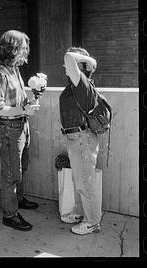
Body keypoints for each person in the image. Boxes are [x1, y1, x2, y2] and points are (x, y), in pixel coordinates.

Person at [0, 30, 40, 232]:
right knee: (11, 173)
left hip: (22, 125)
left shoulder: (15, 70)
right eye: (23, 47)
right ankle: (10, 214)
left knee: (21, 167)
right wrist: (23, 109)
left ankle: (18, 199)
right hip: (10, 128)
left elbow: (20, 101)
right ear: (12, 49)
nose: (26, 51)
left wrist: (32, 100)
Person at [59, 47, 102, 235]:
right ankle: (82, 212)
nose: (64, 67)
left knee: (85, 182)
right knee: (81, 179)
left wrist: (88, 59)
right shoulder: (76, 84)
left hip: (82, 139)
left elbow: (69, 57)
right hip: (76, 138)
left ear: (79, 65)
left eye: (69, 65)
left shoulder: (81, 82)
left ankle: (92, 222)